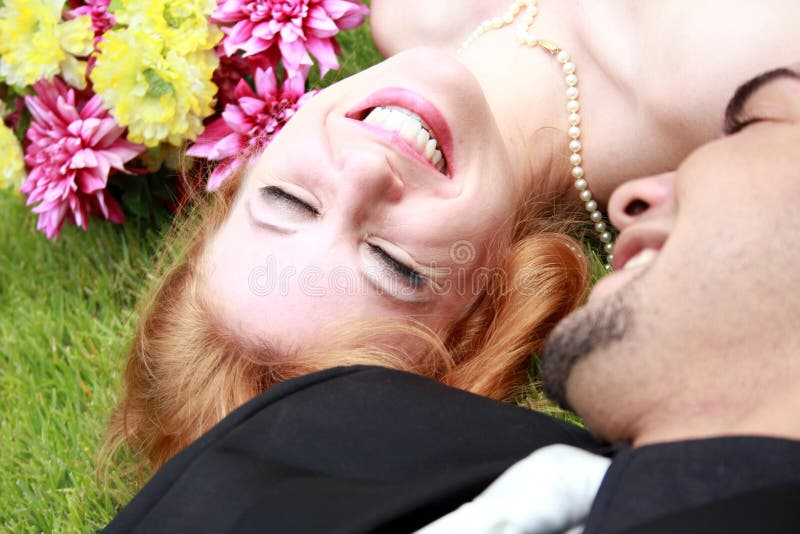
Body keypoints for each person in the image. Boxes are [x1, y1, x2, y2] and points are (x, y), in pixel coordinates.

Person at [107, 0, 800, 471]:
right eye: (393, 263)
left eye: (288, 201)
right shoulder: (730, 86)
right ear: (488, 310)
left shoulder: (408, 12)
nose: (364, 177)